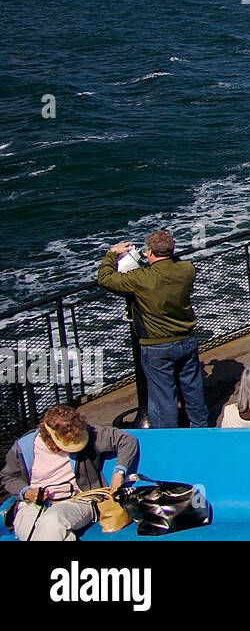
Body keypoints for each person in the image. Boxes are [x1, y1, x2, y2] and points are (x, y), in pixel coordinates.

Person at [97, 230, 207, 428]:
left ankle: (168, 437)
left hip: (156, 346)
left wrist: (112, 253)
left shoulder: (141, 278)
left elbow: (105, 278)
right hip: (187, 340)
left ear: (149, 251)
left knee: (163, 395)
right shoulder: (186, 269)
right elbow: (173, 265)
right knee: (193, 389)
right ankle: (200, 428)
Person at [2, 404, 139, 541]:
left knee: (52, 521)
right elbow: (8, 477)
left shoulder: (89, 433)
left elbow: (127, 441)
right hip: (33, 504)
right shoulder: (23, 447)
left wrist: (119, 473)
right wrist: (26, 492)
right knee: (30, 531)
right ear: (49, 438)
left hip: (78, 500)